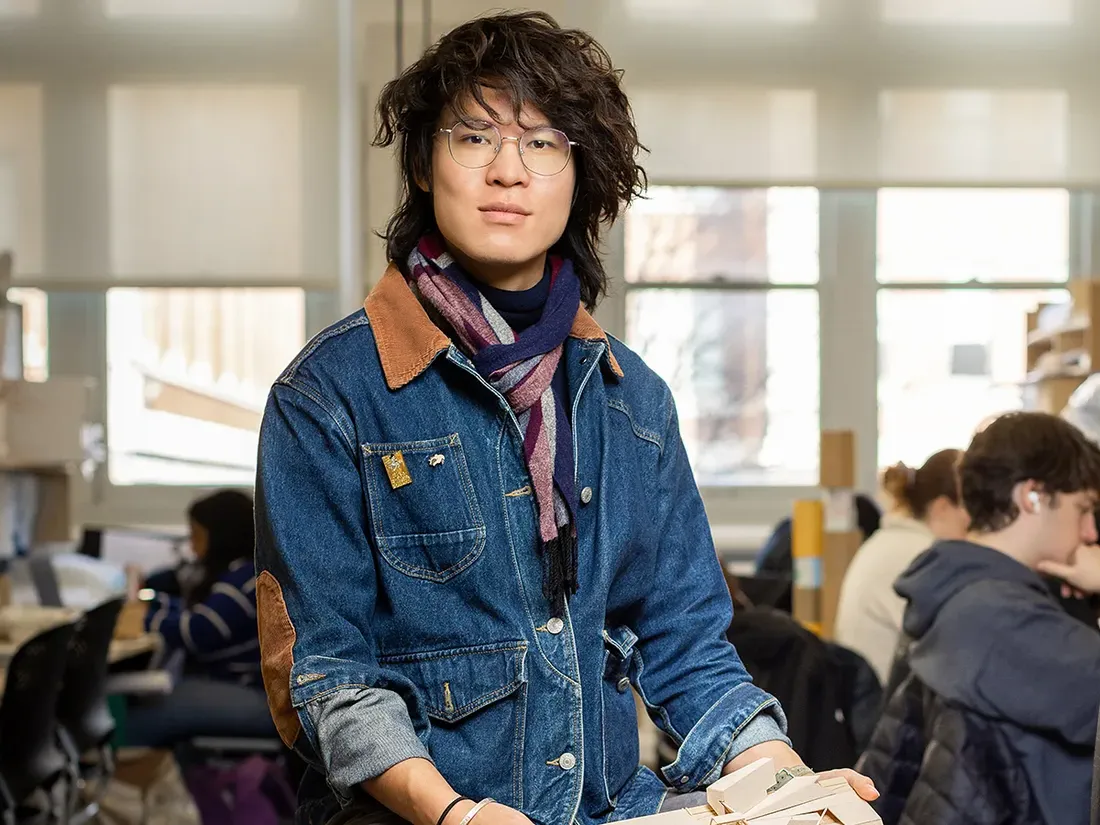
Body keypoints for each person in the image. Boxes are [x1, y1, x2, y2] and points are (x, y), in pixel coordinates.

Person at [253, 11, 876, 825]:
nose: (507, 171)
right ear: (422, 165)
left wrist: (786, 778)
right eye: (474, 138)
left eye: (543, 143)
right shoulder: (328, 395)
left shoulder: (634, 399)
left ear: (583, 175)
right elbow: (331, 676)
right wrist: (455, 813)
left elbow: (686, 645)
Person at [889, 411, 1100, 825]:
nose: (1092, 532)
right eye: (1085, 509)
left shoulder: (951, 585)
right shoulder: (1006, 621)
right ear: (1033, 497)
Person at [126, 489, 274, 747]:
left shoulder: (243, 580)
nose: (192, 547)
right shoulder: (242, 572)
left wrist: (146, 620)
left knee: (152, 711)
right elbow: (198, 612)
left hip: (253, 694)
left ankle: (118, 768)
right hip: (246, 689)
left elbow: (200, 631)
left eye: (196, 536)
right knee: (168, 695)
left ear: (220, 537)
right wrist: (152, 606)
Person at [833, 450, 969, 685]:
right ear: (943, 508)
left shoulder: (890, 540)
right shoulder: (921, 556)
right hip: (881, 707)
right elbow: (955, 651)